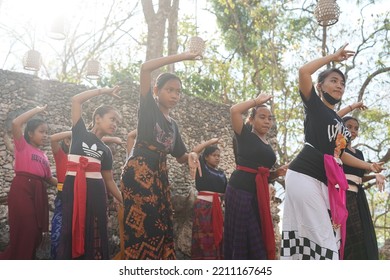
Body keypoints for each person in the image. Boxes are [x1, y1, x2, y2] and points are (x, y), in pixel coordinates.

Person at [280, 43, 384, 260]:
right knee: (324, 241)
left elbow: (340, 154)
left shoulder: (338, 120)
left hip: (324, 181)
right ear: (320, 86)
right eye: (333, 81)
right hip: (304, 175)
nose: (339, 85)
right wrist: (334, 57)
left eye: (342, 83)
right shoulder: (314, 106)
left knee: (321, 239)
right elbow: (303, 72)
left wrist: (369, 166)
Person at [120, 51, 202, 260]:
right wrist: (183, 57)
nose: (175, 95)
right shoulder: (149, 109)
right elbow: (145, 68)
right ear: (156, 90)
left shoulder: (173, 126)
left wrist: (192, 154)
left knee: (162, 225)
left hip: (159, 176)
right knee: (145, 228)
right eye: (170, 90)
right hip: (139, 172)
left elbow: (181, 155)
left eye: (178, 92)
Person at [57, 87, 123, 260]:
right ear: (97, 118)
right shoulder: (79, 134)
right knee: (69, 231)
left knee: (94, 235)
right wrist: (104, 91)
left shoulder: (106, 151)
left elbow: (109, 181)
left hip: (96, 195)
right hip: (73, 191)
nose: (115, 124)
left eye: (118, 122)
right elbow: (76, 100)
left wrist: (125, 201)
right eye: (112, 119)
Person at [224, 94, 287, 260]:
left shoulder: (267, 145)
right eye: (262, 117)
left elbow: (263, 174)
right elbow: (234, 111)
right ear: (251, 119)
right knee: (242, 237)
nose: (267, 121)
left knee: (256, 238)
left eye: (270, 118)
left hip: (257, 195)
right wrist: (256, 102)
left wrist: (276, 173)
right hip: (240, 190)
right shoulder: (245, 135)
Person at [50, 131, 124, 259]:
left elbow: (96, 141)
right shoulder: (61, 156)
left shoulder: (89, 160)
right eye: (73, 140)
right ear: (67, 142)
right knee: (62, 234)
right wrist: (77, 132)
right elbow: (52, 138)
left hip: (83, 196)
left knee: (85, 232)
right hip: (65, 197)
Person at [0, 106, 57, 260]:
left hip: (38, 192)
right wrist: (37, 110)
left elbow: (49, 178)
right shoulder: (22, 146)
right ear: (30, 133)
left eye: (46, 132)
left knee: (36, 233)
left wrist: (66, 185)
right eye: (41, 131)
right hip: (22, 189)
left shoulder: (44, 156)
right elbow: (16, 124)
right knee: (27, 229)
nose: (45, 135)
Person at [340, 116, 385, 259]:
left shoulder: (359, 154)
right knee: (351, 236)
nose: (353, 130)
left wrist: (374, 176)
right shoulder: (336, 149)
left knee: (364, 237)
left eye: (356, 128)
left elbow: (359, 177)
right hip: (342, 196)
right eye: (349, 127)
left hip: (359, 197)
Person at [191, 138, 227, 260]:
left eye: (218, 156)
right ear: (206, 157)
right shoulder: (201, 167)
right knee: (204, 238)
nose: (217, 158)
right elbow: (194, 151)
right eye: (213, 155)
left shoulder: (222, 174)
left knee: (217, 237)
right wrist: (210, 142)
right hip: (203, 207)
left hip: (217, 209)